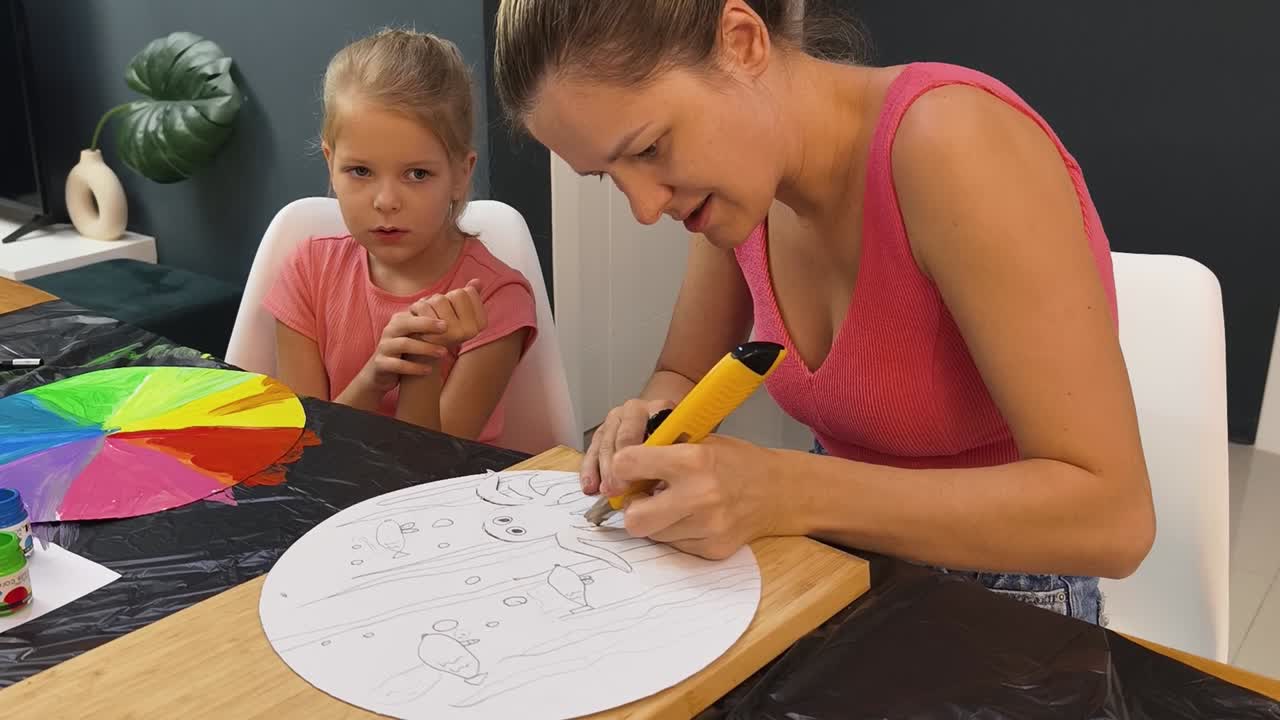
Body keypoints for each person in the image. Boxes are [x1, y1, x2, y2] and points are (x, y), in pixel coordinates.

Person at [493, 0, 1154, 623]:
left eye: (648, 148)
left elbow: (1114, 520)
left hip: (1010, 600)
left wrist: (786, 491)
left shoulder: (951, 143)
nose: (643, 206)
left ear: (741, 42)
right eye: (609, 175)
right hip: (833, 563)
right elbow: (680, 374)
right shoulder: (742, 193)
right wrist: (648, 419)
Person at [265, 29, 537, 445]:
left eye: (417, 174)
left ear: (461, 175)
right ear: (330, 163)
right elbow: (307, 445)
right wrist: (373, 379)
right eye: (360, 171)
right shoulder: (307, 272)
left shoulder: (497, 299)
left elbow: (430, 468)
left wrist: (419, 365)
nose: (386, 201)